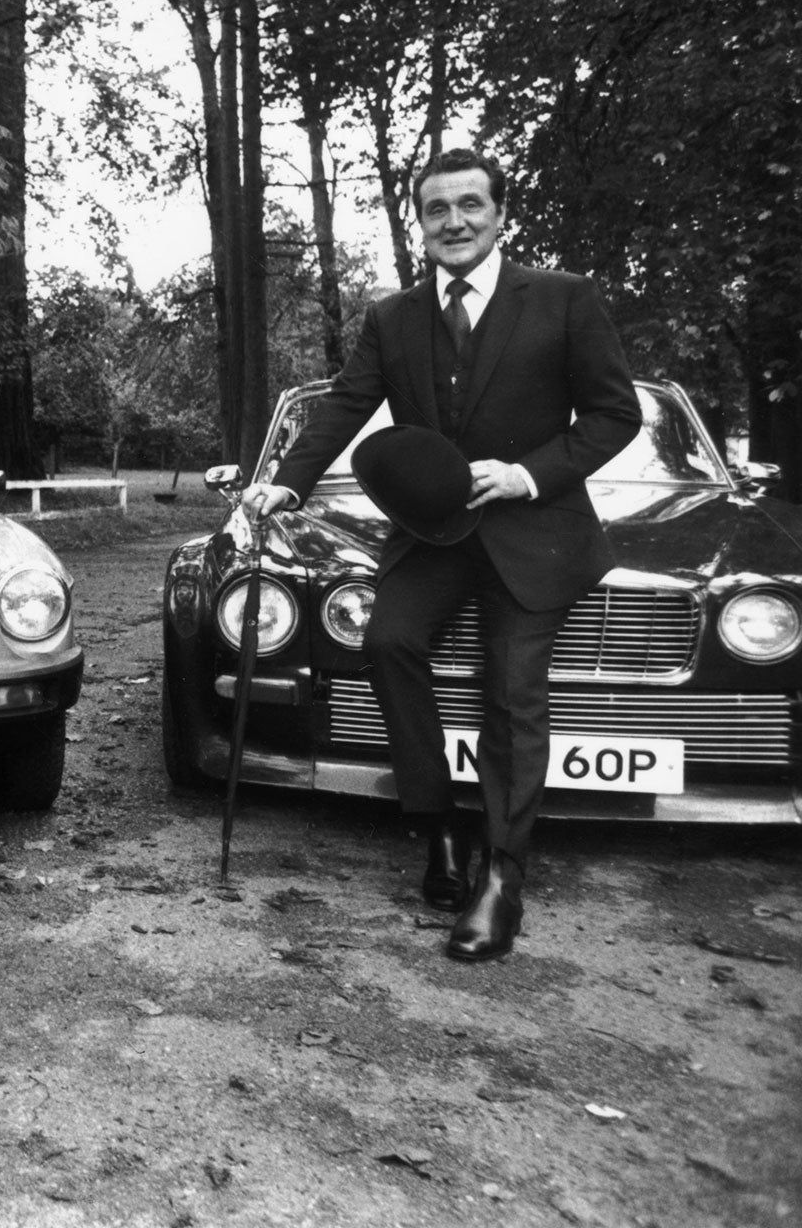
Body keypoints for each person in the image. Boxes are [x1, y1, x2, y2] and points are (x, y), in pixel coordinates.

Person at [242, 147, 640, 963]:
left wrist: (529, 474)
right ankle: (437, 830)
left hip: (537, 533)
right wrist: (285, 484)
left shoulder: (564, 300)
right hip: (434, 532)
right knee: (387, 641)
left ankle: (502, 877)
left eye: (470, 206)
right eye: (436, 210)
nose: (454, 222)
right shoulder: (394, 317)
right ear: (418, 225)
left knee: (512, 688)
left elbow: (614, 415)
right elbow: (348, 405)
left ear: (500, 215)